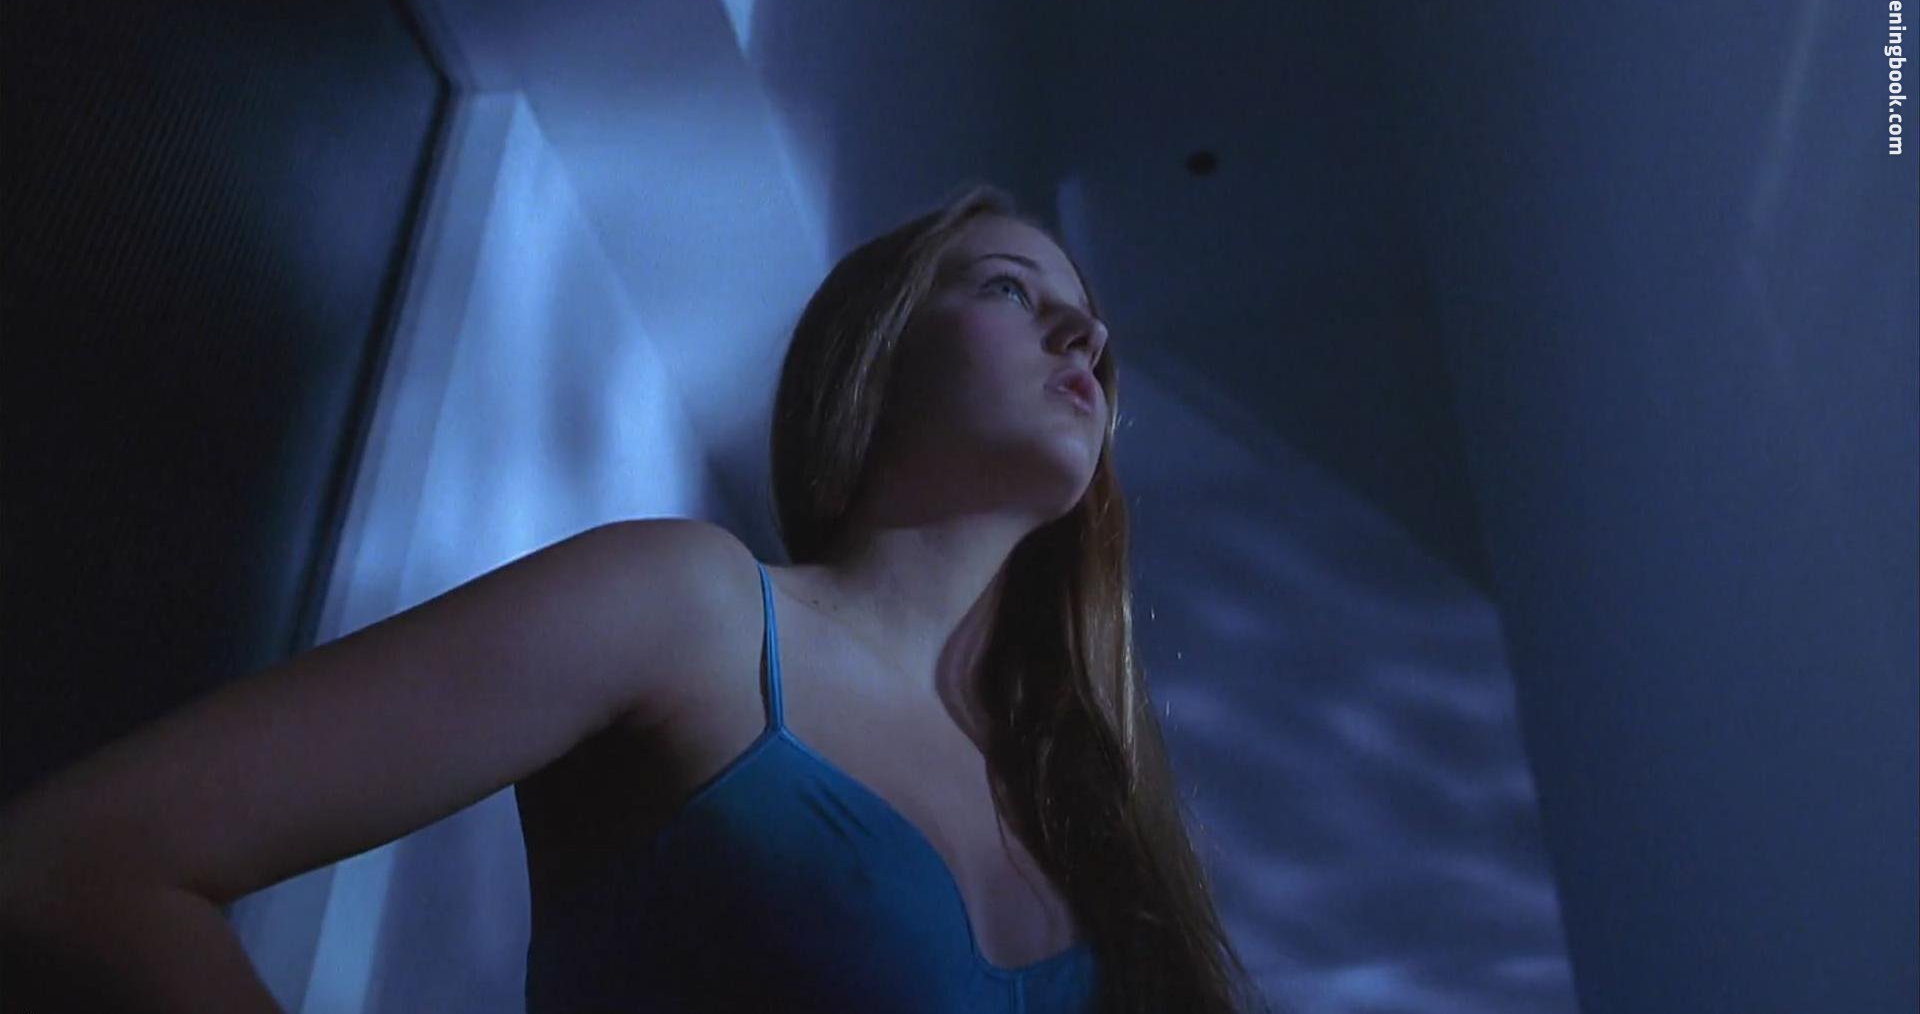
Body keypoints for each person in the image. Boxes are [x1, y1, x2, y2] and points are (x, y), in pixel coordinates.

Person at [0, 182, 1267, 1014]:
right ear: (873, 347)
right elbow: (78, 865)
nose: (1084, 339)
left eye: (1091, 327)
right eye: (1009, 287)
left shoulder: (1089, 789)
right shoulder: (689, 610)